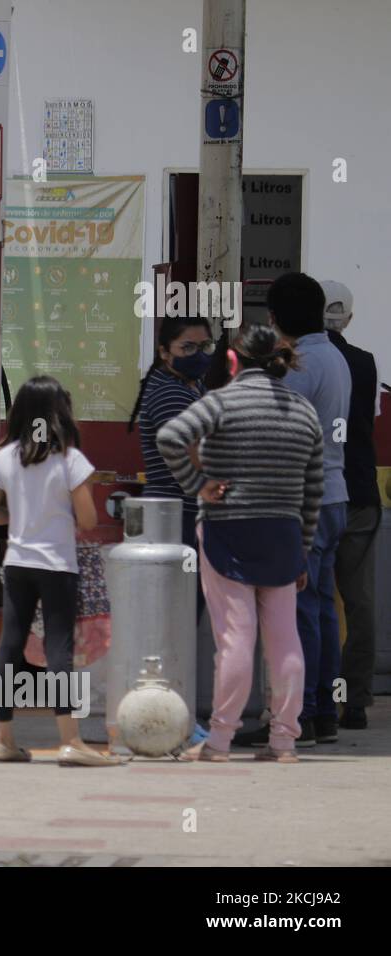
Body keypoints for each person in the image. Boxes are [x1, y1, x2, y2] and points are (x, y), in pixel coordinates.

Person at [157, 325, 323, 763]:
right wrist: (303, 549)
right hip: (284, 536)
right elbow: (313, 490)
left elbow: (170, 437)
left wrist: (199, 483)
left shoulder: (220, 402)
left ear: (233, 361)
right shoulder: (304, 412)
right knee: (285, 641)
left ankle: (220, 742)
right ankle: (285, 741)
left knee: (235, 640)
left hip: (229, 532)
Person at [0, 375, 120, 767]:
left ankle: (2, 738)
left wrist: (20, 517)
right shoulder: (70, 461)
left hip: (18, 564)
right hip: (58, 566)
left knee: (10, 645)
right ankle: (70, 740)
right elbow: (88, 520)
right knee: (60, 649)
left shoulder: (5, 458)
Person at [270, 272, 352, 747]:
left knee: (296, 609)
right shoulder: (336, 357)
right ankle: (323, 711)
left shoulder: (299, 364)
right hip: (335, 493)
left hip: (304, 499)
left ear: (276, 318)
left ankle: (296, 714)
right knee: (320, 607)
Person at [320, 280, 381, 730]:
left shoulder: (302, 361)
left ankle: (315, 698)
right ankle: (355, 700)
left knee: (315, 599)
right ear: (351, 318)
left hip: (318, 494)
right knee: (357, 600)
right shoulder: (364, 363)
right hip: (360, 491)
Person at [128, 315, 214, 615]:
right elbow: (198, 455)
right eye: (187, 347)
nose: (199, 355)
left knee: (184, 609)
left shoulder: (192, 386)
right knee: (177, 612)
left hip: (185, 514)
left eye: (205, 346)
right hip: (175, 519)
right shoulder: (170, 392)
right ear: (165, 352)